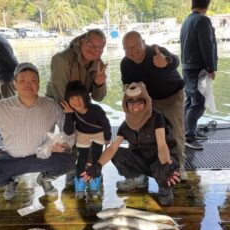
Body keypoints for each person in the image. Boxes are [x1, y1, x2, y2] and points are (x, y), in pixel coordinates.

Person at [0, 62, 75, 201]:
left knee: (68, 161)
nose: (28, 84)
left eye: (33, 80)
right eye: (22, 80)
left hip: (40, 156)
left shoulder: (51, 105)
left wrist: (63, 145)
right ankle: (12, 181)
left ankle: (45, 179)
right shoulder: (1, 106)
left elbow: (68, 130)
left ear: (39, 84)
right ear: (15, 84)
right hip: (11, 156)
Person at [82, 82, 180, 206]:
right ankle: (138, 178)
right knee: (117, 153)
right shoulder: (125, 125)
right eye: (131, 102)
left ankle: (164, 188)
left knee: (164, 167)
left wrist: (167, 165)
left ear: (146, 102)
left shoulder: (157, 117)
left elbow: (162, 146)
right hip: (142, 160)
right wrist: (98, 165)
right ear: (126, 104)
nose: (135, 106)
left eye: (139, 101)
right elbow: (112, 148)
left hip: (160, 159)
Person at [120, 31, 187, 187]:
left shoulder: (156, 51)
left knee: (176, 130)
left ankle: (179, 166)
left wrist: (166, 61)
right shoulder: (125, 63)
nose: (132, 51)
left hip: (170, 96)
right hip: (146, 100)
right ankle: (138, 172)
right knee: (136, 130)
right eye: (127, 48)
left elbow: (175, 60)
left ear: (144, 42)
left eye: (135, 46)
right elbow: (127, 86)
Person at [46, 29, 107, 187]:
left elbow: (98, 97)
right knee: (72, 133)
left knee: (93, 130)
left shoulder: (98, 63)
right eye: (90, 45)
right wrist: (78, 116)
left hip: (80, 103)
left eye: (99, 48)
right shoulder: (62, 60)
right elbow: (61, 95)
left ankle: (90, 170)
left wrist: (99, 83)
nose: (94, 50)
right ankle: (71, 173)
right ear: (82, 41)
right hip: (59, 102)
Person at [61, 80, 111, 199]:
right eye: (72, 98)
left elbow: (106, 123)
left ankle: (94, 186)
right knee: (81, 161)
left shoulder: (96, 109)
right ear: (68, 99)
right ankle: (80, 186)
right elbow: (68, 131)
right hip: (82, 134)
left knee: (95, 160)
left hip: (98, 134)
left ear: (85, 97)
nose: (76, 102)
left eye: (79, 98)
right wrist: (68, 114)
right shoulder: (71, 111)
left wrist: (108, 138)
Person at [180, 0, 218, 150]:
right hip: (198, 69)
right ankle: (188, 136)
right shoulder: (202, 20)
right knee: (199, 101)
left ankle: (187, 131)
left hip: (187, 67)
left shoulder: (187, 20)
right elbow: (207, 45)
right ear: (207, 4)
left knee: (190, 100)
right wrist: (210, 68)